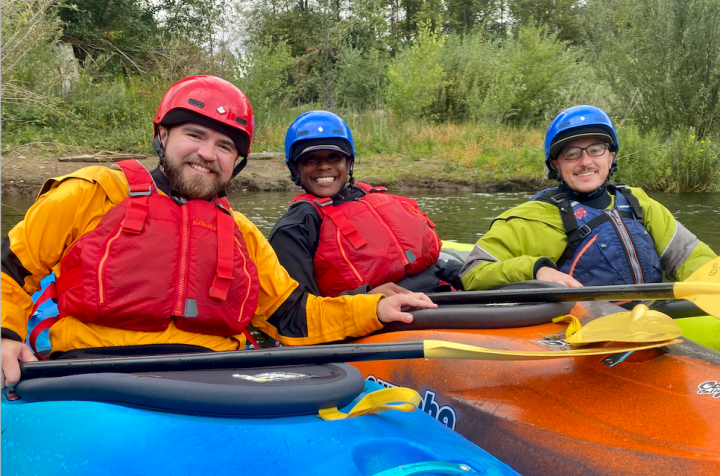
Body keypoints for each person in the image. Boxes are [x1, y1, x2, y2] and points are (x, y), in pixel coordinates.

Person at [0, 76, 436, 389]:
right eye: (195, 135)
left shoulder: (242, 234)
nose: (208, 154)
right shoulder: (94, 191)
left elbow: (293, 318)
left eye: (225, 146)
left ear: (237, 162)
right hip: (92, 375)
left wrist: (374, 309)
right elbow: (10, 268)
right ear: (163, 135)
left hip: (216, 381)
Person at [460, 105, 717, 290]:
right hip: (577, 333)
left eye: (596, 150)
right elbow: (474, 273)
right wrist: (536, 269)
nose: (585, 162)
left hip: (651, 324)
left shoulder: (640, 203)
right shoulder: (532, 217)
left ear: (610, 157)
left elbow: (690, 256)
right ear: (555, 165)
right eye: (572, 153)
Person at [268, 110, 463, 299]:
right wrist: (366, 299)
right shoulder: (294, 228)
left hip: (438, 292)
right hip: (376, 316)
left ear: (348, 164)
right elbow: (298, 313)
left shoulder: (366, 196)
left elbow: (434, 265)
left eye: (334, 157)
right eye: (311, 159)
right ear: (296, 168)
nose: (324, 166)